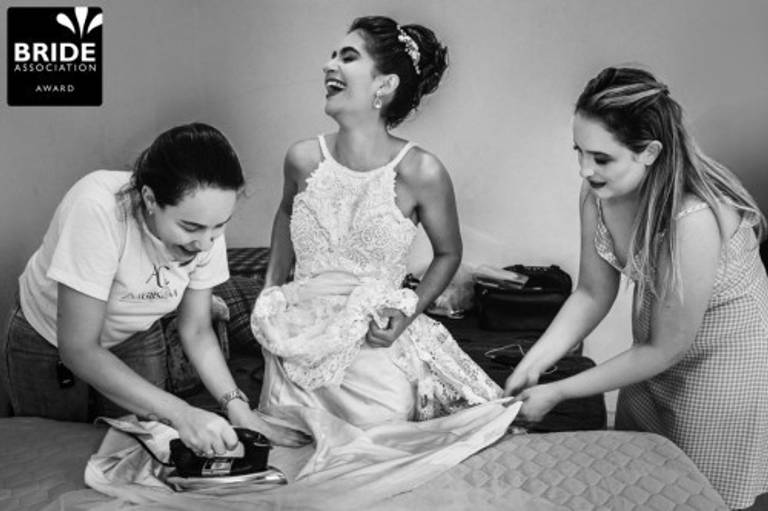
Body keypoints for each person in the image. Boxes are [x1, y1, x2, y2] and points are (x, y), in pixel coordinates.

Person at [504, 67, 768, 509]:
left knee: (698, 492)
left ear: (649, 152)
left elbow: (665, 349)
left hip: (724, 359)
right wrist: (534, 363)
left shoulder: (692, 219)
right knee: (639, 480)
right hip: (654, 345)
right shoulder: (597, 193)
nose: (585, 169)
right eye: (579, 152)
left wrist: (559, 390)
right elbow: (591, 293)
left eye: (601, 158)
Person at [253, 15, 501, 427]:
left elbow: (448, 253)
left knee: (380, 441)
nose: (328, 65)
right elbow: (285, 213)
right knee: (286, 445)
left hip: (373, 350)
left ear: (384, 85)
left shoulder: (422, 171)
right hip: (295, 344)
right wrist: (270, 291)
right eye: (333, 55)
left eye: (347, 57)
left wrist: (409, 312)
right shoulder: (300, 158)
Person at [0, 122, 305, 457]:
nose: (205, 244)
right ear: (149, 198)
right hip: (48, 339)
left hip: (134, 334)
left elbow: (197, 329)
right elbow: (78, 348)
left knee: (140, 450)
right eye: (190, 227)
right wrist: (182, 413)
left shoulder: (206, 232)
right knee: (55, 453)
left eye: (219, 226)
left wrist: (240, 410)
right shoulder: (97, 208)